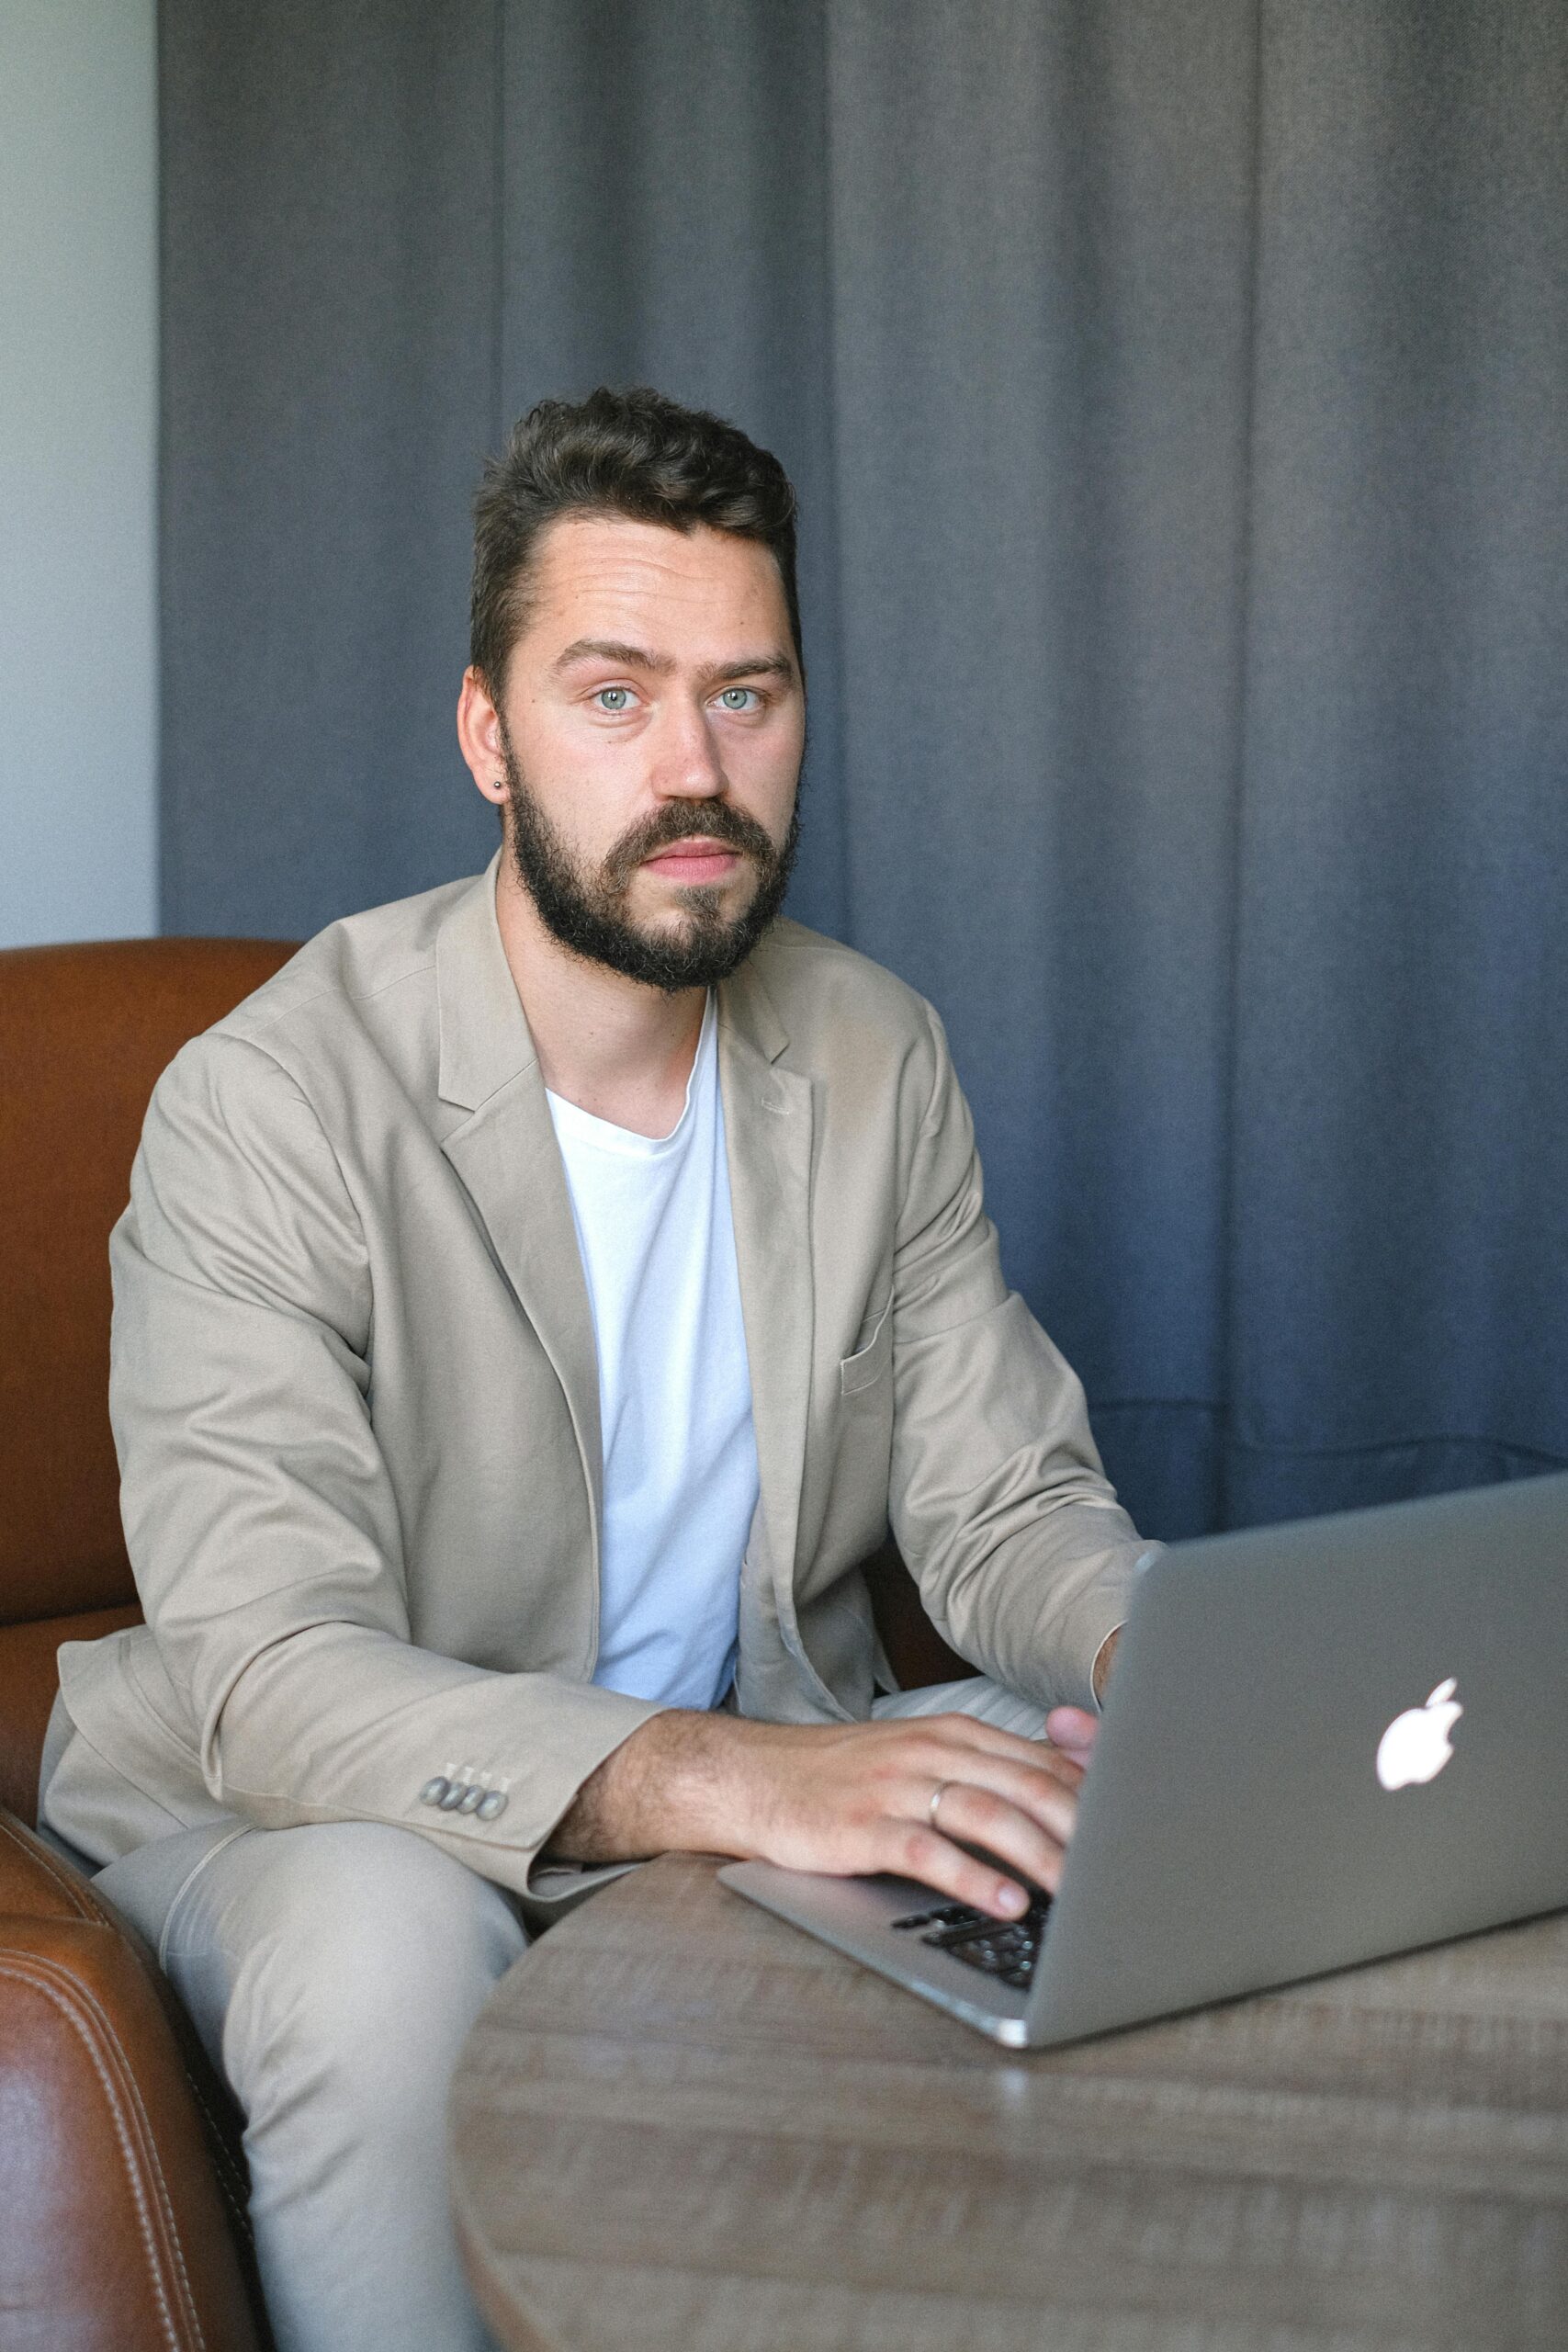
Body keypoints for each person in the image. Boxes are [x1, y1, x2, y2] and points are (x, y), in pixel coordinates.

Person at [39, 387, 1154, 2352]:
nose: (694, 767)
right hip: (305, 1812)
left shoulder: (873, 1051)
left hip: (738, 1748)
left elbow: (1000, 1500)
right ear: (487, 732)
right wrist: (744, 1781)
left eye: (748, 693)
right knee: (389, 1941)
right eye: (614, 694)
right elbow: (279, 1681)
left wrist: (1162, 1669)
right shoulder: (268, 1103)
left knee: (1083, 1789)